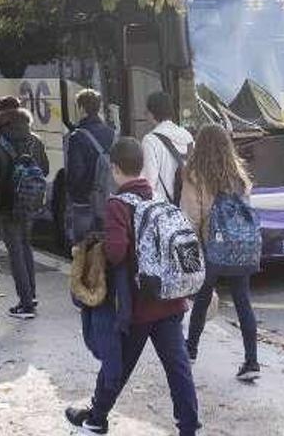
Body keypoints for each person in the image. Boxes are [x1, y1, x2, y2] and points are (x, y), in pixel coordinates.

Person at [65, 137, 200, 436]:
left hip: (138, 305)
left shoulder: (117, 204)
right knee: (178, 368)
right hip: (170, 299)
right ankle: (189, 427)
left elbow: (115, 252)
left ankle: (97, 418)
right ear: (141, 165)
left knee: (117, 364)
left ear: (114, 168)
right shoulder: (157, 199)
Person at [181, 124, 260, 381]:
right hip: (241, 246)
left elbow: (191, 215)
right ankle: (251, 362)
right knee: (243, 302)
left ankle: (190, 350)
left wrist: (189, 247)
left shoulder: (194, 174)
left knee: (202, 300)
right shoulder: (238, 175)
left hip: (210, 245)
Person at [0, 96, 49, 319]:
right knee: (26, 246)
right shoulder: (35, 140)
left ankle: (26, 303)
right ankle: (31, 294)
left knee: (15, 252)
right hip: (30, 202)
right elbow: (45, 169)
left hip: (6, 205)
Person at [65, 88, 115, 244]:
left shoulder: (77, 137)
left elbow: (76, 173)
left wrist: (73, 194)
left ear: (81, 108)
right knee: (103, 246)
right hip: (106, 197)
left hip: (84, 202)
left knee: (82, 248)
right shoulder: (112, 133)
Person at [141, 91, 193, 204]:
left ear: (151, 113)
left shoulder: (150, 140)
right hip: (187, 209)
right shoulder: (188, 136)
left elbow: (149, 183)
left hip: (164, 211)